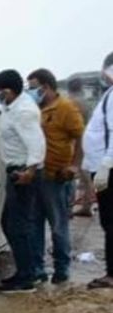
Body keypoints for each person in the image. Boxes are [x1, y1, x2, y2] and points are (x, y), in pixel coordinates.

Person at [26, 68, 84, 284]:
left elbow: (81, 137)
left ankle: (62, 268)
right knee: (34, 224)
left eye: (34, 88)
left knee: (58, 226)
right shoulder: (34, 108)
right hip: (35, 174)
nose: (31, 92)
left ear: (46, 87)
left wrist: (74, 166)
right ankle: (37, 268)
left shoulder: (65, 108)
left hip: (56, 176)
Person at [0, 69, 46, 294]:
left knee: (18, 226)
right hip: (16, 171)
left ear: (7, 91)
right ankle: (28, 270)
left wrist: (30, 170)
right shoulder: (11, 104)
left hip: (24, 173)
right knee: (9, 223)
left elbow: (37, 143)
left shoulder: (24, 111)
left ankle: (27, 277)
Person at [84, 53, 113, 290]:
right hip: (103, 166)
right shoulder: (109, 94)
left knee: (111, 222)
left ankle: (112, 274)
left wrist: (106, 165)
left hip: (109, 169)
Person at [69, 77, 97, 217]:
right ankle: (87, 204)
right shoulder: (86, 102)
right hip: (86, 138)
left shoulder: (71, 102)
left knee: (72, 173)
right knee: (85, 174)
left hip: (75, 141)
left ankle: (69, 206)